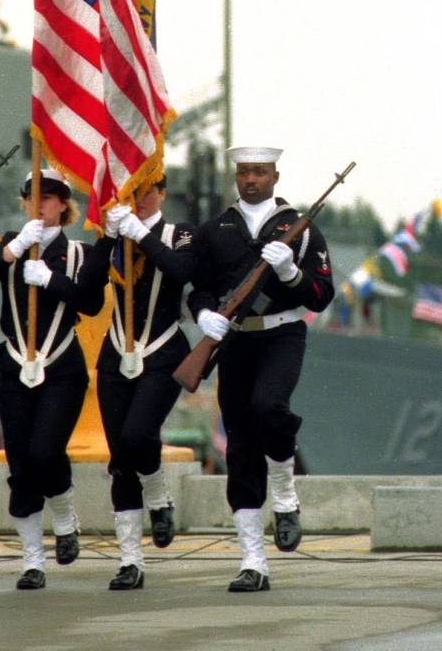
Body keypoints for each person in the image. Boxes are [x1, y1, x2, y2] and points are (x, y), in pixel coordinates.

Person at [189, 146, 334, 592]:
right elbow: (199, 288)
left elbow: (320, 294)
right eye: (244, 172)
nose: (251, 179)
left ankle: (286, 492)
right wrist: (203, 316)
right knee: (241, 448)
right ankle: (253, 560)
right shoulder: (215, 230)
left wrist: (290, 272)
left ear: (275, 175)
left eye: (260, 172)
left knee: (269, 406)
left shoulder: (301, 230)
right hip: (234, 339)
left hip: (282, 335)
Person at [0, 168, 106, 590]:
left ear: (64, 204)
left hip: (62, 366)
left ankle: (65, 515)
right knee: (20, 465)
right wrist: (10, 251)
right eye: (33, 197)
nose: (40, 204)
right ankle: (33, 561)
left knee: (46, 451)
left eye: (49, 198)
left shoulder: (80, 254)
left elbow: (89, 301)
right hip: (16, 365)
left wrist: (52, 280)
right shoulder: (10, 247)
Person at [85, 176, 194, 590]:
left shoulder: (180, 234)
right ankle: (130, 560)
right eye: (133, 191)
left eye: (148, 190)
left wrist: (141, 235)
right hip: (116, 353)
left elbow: (182, 270)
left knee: (138, 433)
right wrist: (106, 238)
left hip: (164, 351)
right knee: (120, 459)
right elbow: (87, 293)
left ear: (163, 192)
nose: (141, 198)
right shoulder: (116, 236)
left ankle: (158, 493)